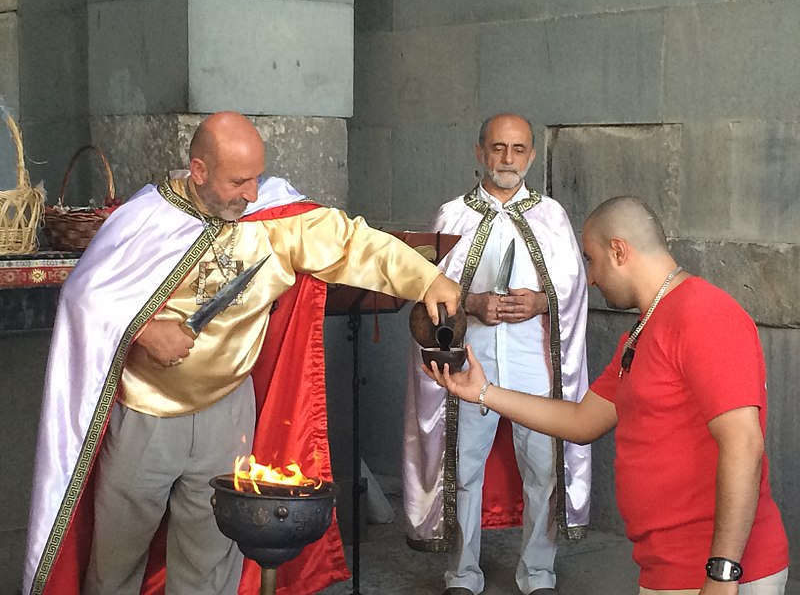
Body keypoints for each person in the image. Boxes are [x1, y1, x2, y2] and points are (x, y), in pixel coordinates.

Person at [23, 111, 462, 595]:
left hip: (227, 412)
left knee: (211, 557)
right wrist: (144, 331)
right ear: (199, 170)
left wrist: (427, 279)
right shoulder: (146, 217)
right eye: (239, 181)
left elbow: (351, 242)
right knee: (117, 560)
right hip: (145, 413)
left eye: (257, 177)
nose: (252, 193)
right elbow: (85, 296)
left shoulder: (273, 221)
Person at [427, 196, 790, 595]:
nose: (591, 278)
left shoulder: (703, 314)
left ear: (619, 251)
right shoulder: (645, 327)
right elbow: (583, 421)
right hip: (667, 568)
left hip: (718, 573)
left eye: (592, 259)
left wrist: (722, 574)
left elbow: (743, 442)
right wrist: (482, 391)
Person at [403, 113, 591, 595]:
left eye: (519, 149)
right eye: (498, 148)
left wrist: (541, 301)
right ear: (480, 152)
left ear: (531, 154)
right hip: (470, 360)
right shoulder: (452, 215)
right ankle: (462, 574)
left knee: (543, 467)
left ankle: (539, 572)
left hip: (536, 361)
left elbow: (575, 291)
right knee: (463, 465)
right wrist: (472, 303)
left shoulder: (552, 215)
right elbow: (427, 291)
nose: (508, 159)